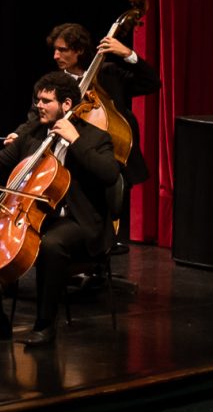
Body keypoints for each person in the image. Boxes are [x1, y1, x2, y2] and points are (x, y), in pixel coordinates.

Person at [0, 71, 119, 345]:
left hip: (77, 220)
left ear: (66, 105)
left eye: (46, 101)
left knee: (52, 246)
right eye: (38, 100)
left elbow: (109, 174)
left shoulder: (95, 137)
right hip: (33, 215)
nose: (38, 106)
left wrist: (75, 141)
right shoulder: (33, 132)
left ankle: (45, 324)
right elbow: (4, 157)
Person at [49, 19, 158, 245]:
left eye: (62, 50)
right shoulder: (56, 84)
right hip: (69, 160)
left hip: (107, 156)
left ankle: (97, 249)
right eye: (55, 50)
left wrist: (128, 54)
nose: (56, 56)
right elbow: (36, 115)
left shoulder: (108, 74)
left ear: (79, 50)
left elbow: (152, 83)